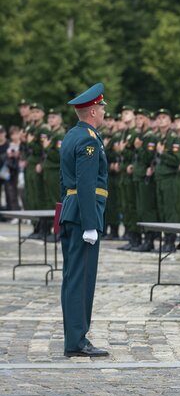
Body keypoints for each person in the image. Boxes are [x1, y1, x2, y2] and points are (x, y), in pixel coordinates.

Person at [58, 82, 110, 358]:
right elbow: (86, 183)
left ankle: (73, 337)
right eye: (102, 108)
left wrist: (63, 210)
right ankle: (77, 341)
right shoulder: (89, 139)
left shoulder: (70, 136)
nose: (104, 113)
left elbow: (64, 182)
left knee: (71, 277)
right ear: (92, 111)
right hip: (82, 216)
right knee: (81, 278)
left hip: (71, 211)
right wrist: (91, 223)